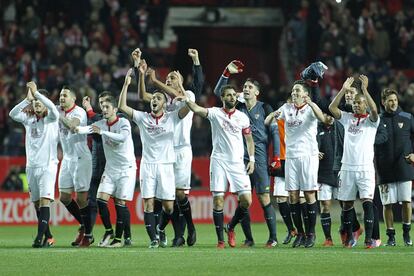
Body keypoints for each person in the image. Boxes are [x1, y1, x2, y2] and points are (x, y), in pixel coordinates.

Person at [132, 48, 201, 247]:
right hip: (165, 152)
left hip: (182, 150)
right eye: (168, 78)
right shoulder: (164, 100)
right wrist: (142, 73)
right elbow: (143, 95)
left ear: (180, 80)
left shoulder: (187, 95)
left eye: (173, 77)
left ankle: (189, 227)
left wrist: (155, 80)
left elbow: (180, 95)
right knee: (168, 198)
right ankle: (175, 233)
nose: (169, 80)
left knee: (179, 194)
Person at [118, 67, 190, 248]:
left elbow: (189, 107)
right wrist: (126, 85)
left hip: (166, 166)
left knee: (168, 207)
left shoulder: (172, 117)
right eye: (154, 98)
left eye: (159, 98)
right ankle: (153, 240)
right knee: (148, 204)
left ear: (165, 103)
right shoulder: (143, 118)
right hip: (148, 165)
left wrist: (182, 90)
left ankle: (160, 229)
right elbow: (122, 107)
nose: (155, 100)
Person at [213, 60, 279, 247]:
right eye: (245, 87)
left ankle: (272, 238)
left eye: (250, 87)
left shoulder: (265, 108)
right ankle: (249, 239)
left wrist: (276, 157)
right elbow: (220, 93)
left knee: (264, 197)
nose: (246, 89)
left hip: (258, 157)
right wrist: (226, 73)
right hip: (238, 158)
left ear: (257, 92)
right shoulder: (238, 107)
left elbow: (274, 133)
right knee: (245, 200)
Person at [184, 84, 255, 249]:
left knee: (246, 201)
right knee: (218, 200)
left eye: (233, 95)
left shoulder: (242, 117)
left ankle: (230, 227)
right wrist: (185, 96)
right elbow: (195, 108)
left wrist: (251, 159)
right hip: (218, 161)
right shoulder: (215, 113)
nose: (232, 97)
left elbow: (249, 140)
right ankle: (221, 241)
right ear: (222, 98)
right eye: (228, 95)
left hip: (237, 162)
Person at [265, 80, 327, 248]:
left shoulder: (310, 109)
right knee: (292, 196)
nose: (294, 93)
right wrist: (272, 115)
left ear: (305, 94)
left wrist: (311, 103)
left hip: (308, 155)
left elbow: (322, 118)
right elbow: (266, 122)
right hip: (291, 156)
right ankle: (299, 233)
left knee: (308, 195)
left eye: (297, 90)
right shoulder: (286, 109)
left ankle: (311, 233)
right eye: (293, 91)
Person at [76, 90, 136, 248]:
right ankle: (109, 231)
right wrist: (74, 127)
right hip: (110, 169)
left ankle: (118, 239)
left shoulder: (123, 123)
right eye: (102, 106)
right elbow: (84, 130)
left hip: (126, 169)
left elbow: (122, 138)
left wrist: (102, 132)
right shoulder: (101, 123)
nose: (103, 109)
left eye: (107, 106)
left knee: (120, 203)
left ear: (115, 109)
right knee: (100, 200)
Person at [329, 75, 380, 249]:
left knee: (367, 202)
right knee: (347, 205)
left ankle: (369, 240)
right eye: (355, 103)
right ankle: (350, 236)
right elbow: (331, 107)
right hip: (347, 168)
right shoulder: (347, 118)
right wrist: (343, 89)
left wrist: (365, 90)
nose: (356, 105)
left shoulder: (371, 122)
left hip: (365, 168)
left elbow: (374, 111)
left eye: (360, 103)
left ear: (365, 103)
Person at [9, 81, 59, 247]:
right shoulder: (28, 119)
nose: (38, 105)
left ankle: (39, 239)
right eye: (36, 103)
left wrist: (37, 94)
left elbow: (52, 109)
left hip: (48, 166)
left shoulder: (51, 119)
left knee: (45, 201)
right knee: (37, 203)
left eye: (40, 102)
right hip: (32, 167)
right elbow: (12, 114)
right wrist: (27, 99)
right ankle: (49, 236)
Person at [375, 88, 413, 246]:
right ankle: (390, 236)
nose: (393, 103)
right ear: (383, 102)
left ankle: (406, 234)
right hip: (384, 169)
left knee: (406, 201)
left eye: (395, 100)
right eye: (390, 100)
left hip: (404, 166)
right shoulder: (376, 120)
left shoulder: (407, 117)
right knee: (387, 204)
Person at [57, 86, 94, 247]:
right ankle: (85, 225)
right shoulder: (58, 110)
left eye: (65, 95)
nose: (61, 98)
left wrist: (57, 114)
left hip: (81, 157)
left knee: (80, 198)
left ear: (73, 99)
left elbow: (72, 126)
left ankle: (88, 234)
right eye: (60, 95)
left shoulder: (79, 112)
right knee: (64, 197)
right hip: (67, 158)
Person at [269, 118, 297, 245]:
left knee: (298, 198)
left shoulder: (301, 120)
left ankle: (304, 232)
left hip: (296, 160)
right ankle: (291, 229)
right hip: (281, 160)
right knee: (281, 198)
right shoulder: (277, 122)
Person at [316, 113, 337, 246]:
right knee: (325, 205)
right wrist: (314, 151)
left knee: (346, 204)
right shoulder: (315, 129)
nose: (329, 117)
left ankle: (350, 231)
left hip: (339, 171)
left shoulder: (340, 128)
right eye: (326, 114)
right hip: (323, 172)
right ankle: (328, 238)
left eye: (331, 115)